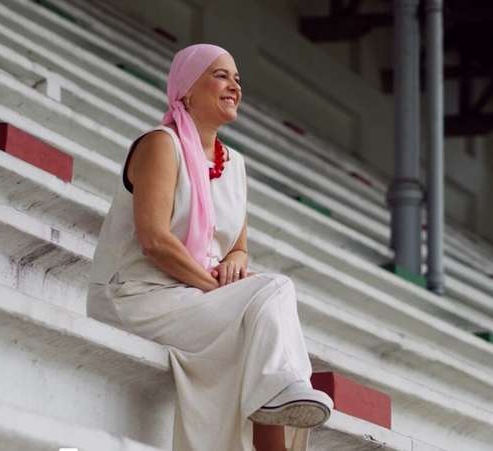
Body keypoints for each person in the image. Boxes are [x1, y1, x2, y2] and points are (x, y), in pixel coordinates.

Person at [86, 43, 333, 451]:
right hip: (135, 295)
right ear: (185, 90)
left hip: (190, 297)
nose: (234, 86)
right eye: (220, 75)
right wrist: (218, 288)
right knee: (272, 295)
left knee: (262, 322)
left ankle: (279, 399)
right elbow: (154, 240)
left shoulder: (234, 164)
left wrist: (236, 260)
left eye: (237, 78)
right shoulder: (160, 145)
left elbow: (238, 244)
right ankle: (280, 408)